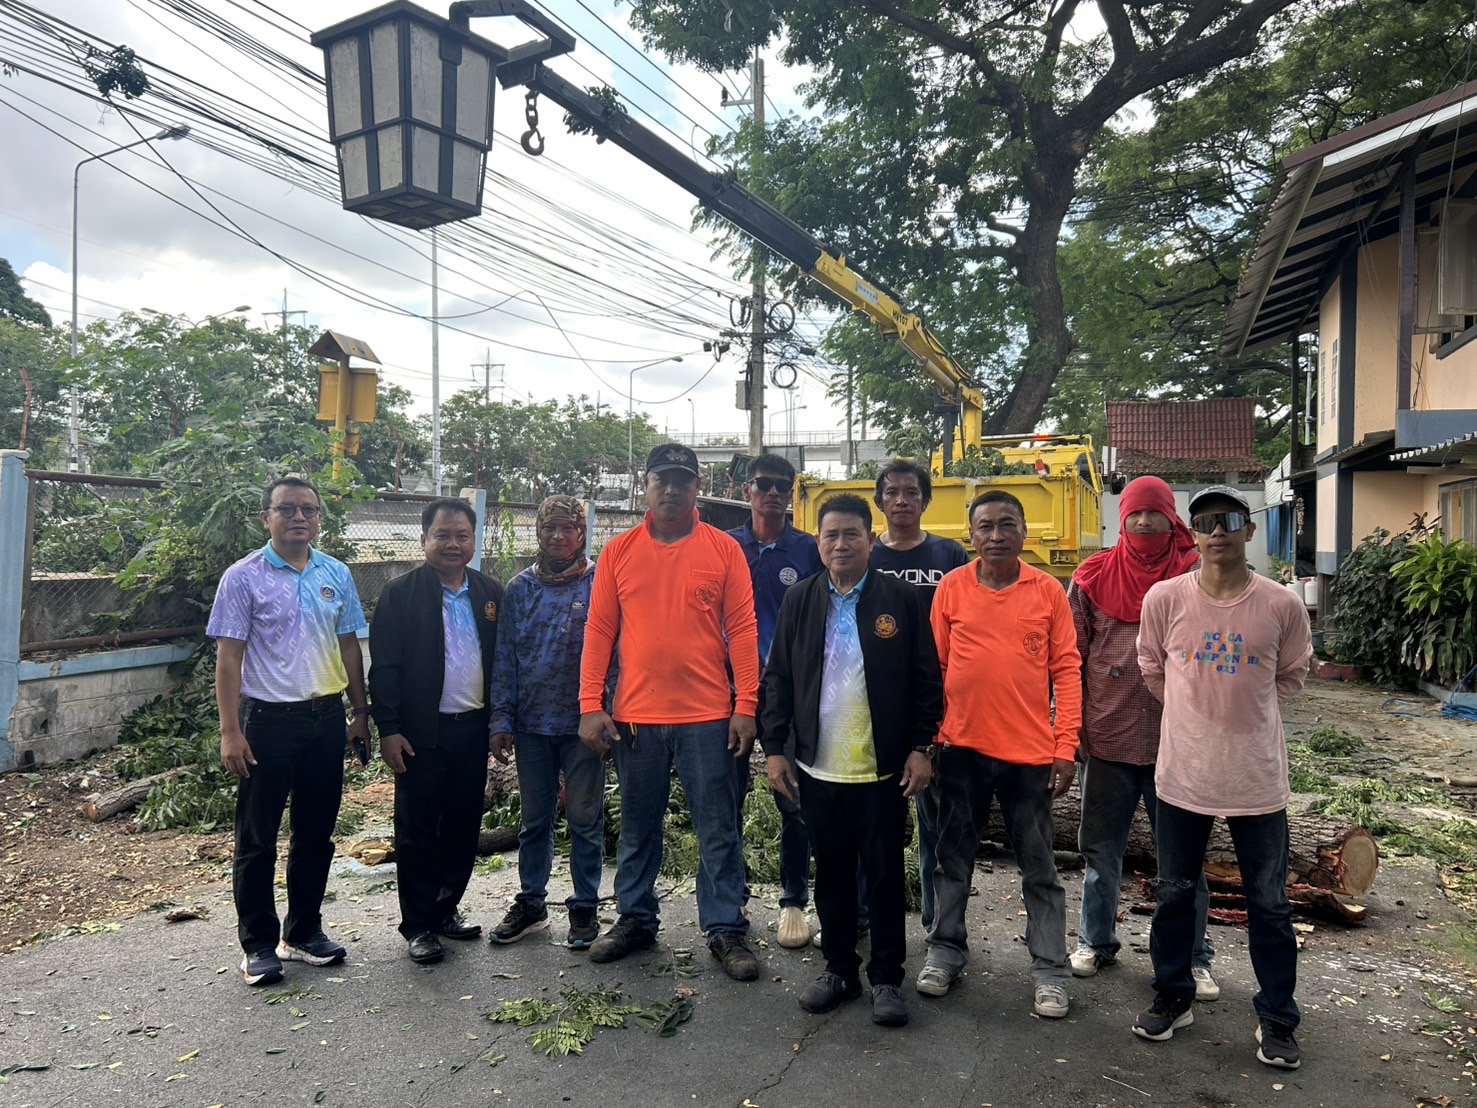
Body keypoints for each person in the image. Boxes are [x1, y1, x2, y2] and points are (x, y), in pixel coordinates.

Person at [1132, 485, 1312, 1070]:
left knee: (1270, 904)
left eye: (1229, 521)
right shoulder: (1165, 599)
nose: (1217, 532)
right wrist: (1195, 718)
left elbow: (1291, 675)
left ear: (1249, 530)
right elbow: (1151, 666)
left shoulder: (1281, 605)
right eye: (1206, 521)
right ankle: (1172, 994)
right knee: (1174, 895)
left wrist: (1241, 716)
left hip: (1256, 780)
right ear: (1193, 532)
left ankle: (1278, 1017)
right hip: (1182, 777)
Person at [578, 443, 763, 981]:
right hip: (636, 717)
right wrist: (591, 704)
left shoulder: (723, 549)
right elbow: (600, 630)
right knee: (638, 827)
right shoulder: (619, 552)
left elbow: (743, 629)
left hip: (708, 715)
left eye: (683, 480)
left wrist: (746, 704)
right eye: (662, 479)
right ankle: (636, 918)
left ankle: (725, 927)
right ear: (646, 485)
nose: (672, 489)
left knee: (717, 827)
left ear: (697, 487)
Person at [762, 494, 942, 1027]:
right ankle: (839, 970)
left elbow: (926, 679)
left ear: (870, 540)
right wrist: (775, 751)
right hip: (817, 770)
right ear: (819, 543)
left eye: (851, 535)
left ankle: (886, 977)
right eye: (831, 535)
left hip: (882, 771)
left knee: (884, 877)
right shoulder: (801, 599)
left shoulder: (900, 599)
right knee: (833, 876)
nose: (840, 544)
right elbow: (778, 679)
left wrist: (922, 747)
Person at [919, 490, 1081, 1019]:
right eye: (985, 526)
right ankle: (945, 951)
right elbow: (934, 670)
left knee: (1039, 866)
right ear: (971, 535)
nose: (995, 535)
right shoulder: (951, 588)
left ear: (1024, 531)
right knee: (951, 858)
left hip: (1028, 756)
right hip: (958, 749)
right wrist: (929, 739)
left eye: (1006, 524)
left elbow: (1067, 670)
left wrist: (1066, 745)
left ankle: (1050, 970)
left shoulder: (1048, 591)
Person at [209, 476, 370, 988]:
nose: (299, 517)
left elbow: (349, 646)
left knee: (316, 833)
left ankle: (302, 932)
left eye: (308, 509)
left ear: (319, 519)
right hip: (268, 722)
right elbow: (229, 659)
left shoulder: (335, 573)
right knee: (257, 838)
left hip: (326, 719)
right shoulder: (243, 577)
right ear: (267, 518)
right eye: (287, 509)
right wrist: (230, 731)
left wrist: (360, 712)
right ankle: (258, 944)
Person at [1067, 476, 1220, 999]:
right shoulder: (1091, 577)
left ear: (1171, 517)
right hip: (1106, 737)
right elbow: (1070, 657)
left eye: (1155, 512)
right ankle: (1095, 940)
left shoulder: (1196, 575)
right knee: (1099, 853)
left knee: (1183, 861)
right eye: (1136, 513)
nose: (1145, 522)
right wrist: (1070, 727)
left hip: (1177, 742)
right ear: (1123, 518)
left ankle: (1193, 957)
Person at [368, 498, 502, 965]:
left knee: (463, 826)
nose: (452, 544)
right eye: (442, 535)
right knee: (417, 830)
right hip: (421, 734)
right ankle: (419, 925)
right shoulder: (399, 594)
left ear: (473, 541)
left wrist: (500, 723)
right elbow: (384, 668)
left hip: (473, 730)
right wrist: (389, 729)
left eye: (462, 535)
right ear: (424, 539)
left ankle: (446, 910)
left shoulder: (489, 593)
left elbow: (502, 662)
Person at [488, 495, 607, 950]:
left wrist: (609, 712)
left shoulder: (600, 583)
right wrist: (501, 718)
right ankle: (531, 904)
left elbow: (616, 653)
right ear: (537, 532)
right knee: (534, 821)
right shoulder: (519, 589)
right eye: (549, 528)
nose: (558, 536)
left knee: (585, 819)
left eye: (567, 528)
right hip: (532, 725)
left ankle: (585, 906)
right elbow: (506, 657)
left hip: (584, 726)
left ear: (582, 533)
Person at [727, 453, 823, 949]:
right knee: (727, 798)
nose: (772, 493)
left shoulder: (809, 550)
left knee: (794, 799)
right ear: (746, 490)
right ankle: (732, 897)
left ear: (791, 493)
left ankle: (793, 901)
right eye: (763, 484)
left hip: (789, 693)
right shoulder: (725, 547)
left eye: (781, 486)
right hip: (729, 694)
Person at [868, 459, 968, 933]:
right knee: (870, 822)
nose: (902, 500)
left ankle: (936, 924)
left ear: (925, 501)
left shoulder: (949, 555)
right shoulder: (867, 555)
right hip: (876, 706)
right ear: (880, 501)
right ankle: (864, 916)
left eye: (911, 492)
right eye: (892, 492)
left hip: (939, 707)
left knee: (938, 826)